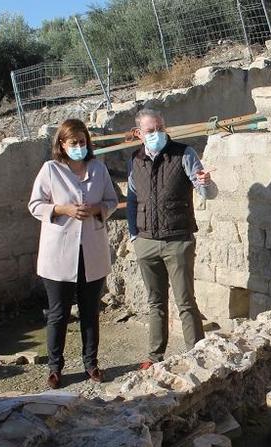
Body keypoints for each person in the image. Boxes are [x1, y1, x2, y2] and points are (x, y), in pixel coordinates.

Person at [28, 118, 118, 389]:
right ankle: (55, 368)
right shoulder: (51, 170)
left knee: (90, 311)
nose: (79, 146)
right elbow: (35, 204)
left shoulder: (99, 169)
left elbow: (112, 201)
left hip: (91, 251)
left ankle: (91, 363)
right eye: (73, 142)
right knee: (58, 313)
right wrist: (62, 209)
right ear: (62, 144)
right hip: (59, 253)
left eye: (82, 142)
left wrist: (96, 209)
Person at [126, 108, 217, 369]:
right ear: (138, 133)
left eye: (160, 128)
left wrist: (206, 183)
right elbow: (133, 200)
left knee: (185, 301)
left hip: (178, 240)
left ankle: (198, 354)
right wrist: (134, 236)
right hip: (146, 242)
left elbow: (207, 192)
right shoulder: (135, 160)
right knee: (155, 302)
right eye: (150, 130)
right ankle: (155, 356)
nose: (157, 134)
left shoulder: (184, 154)